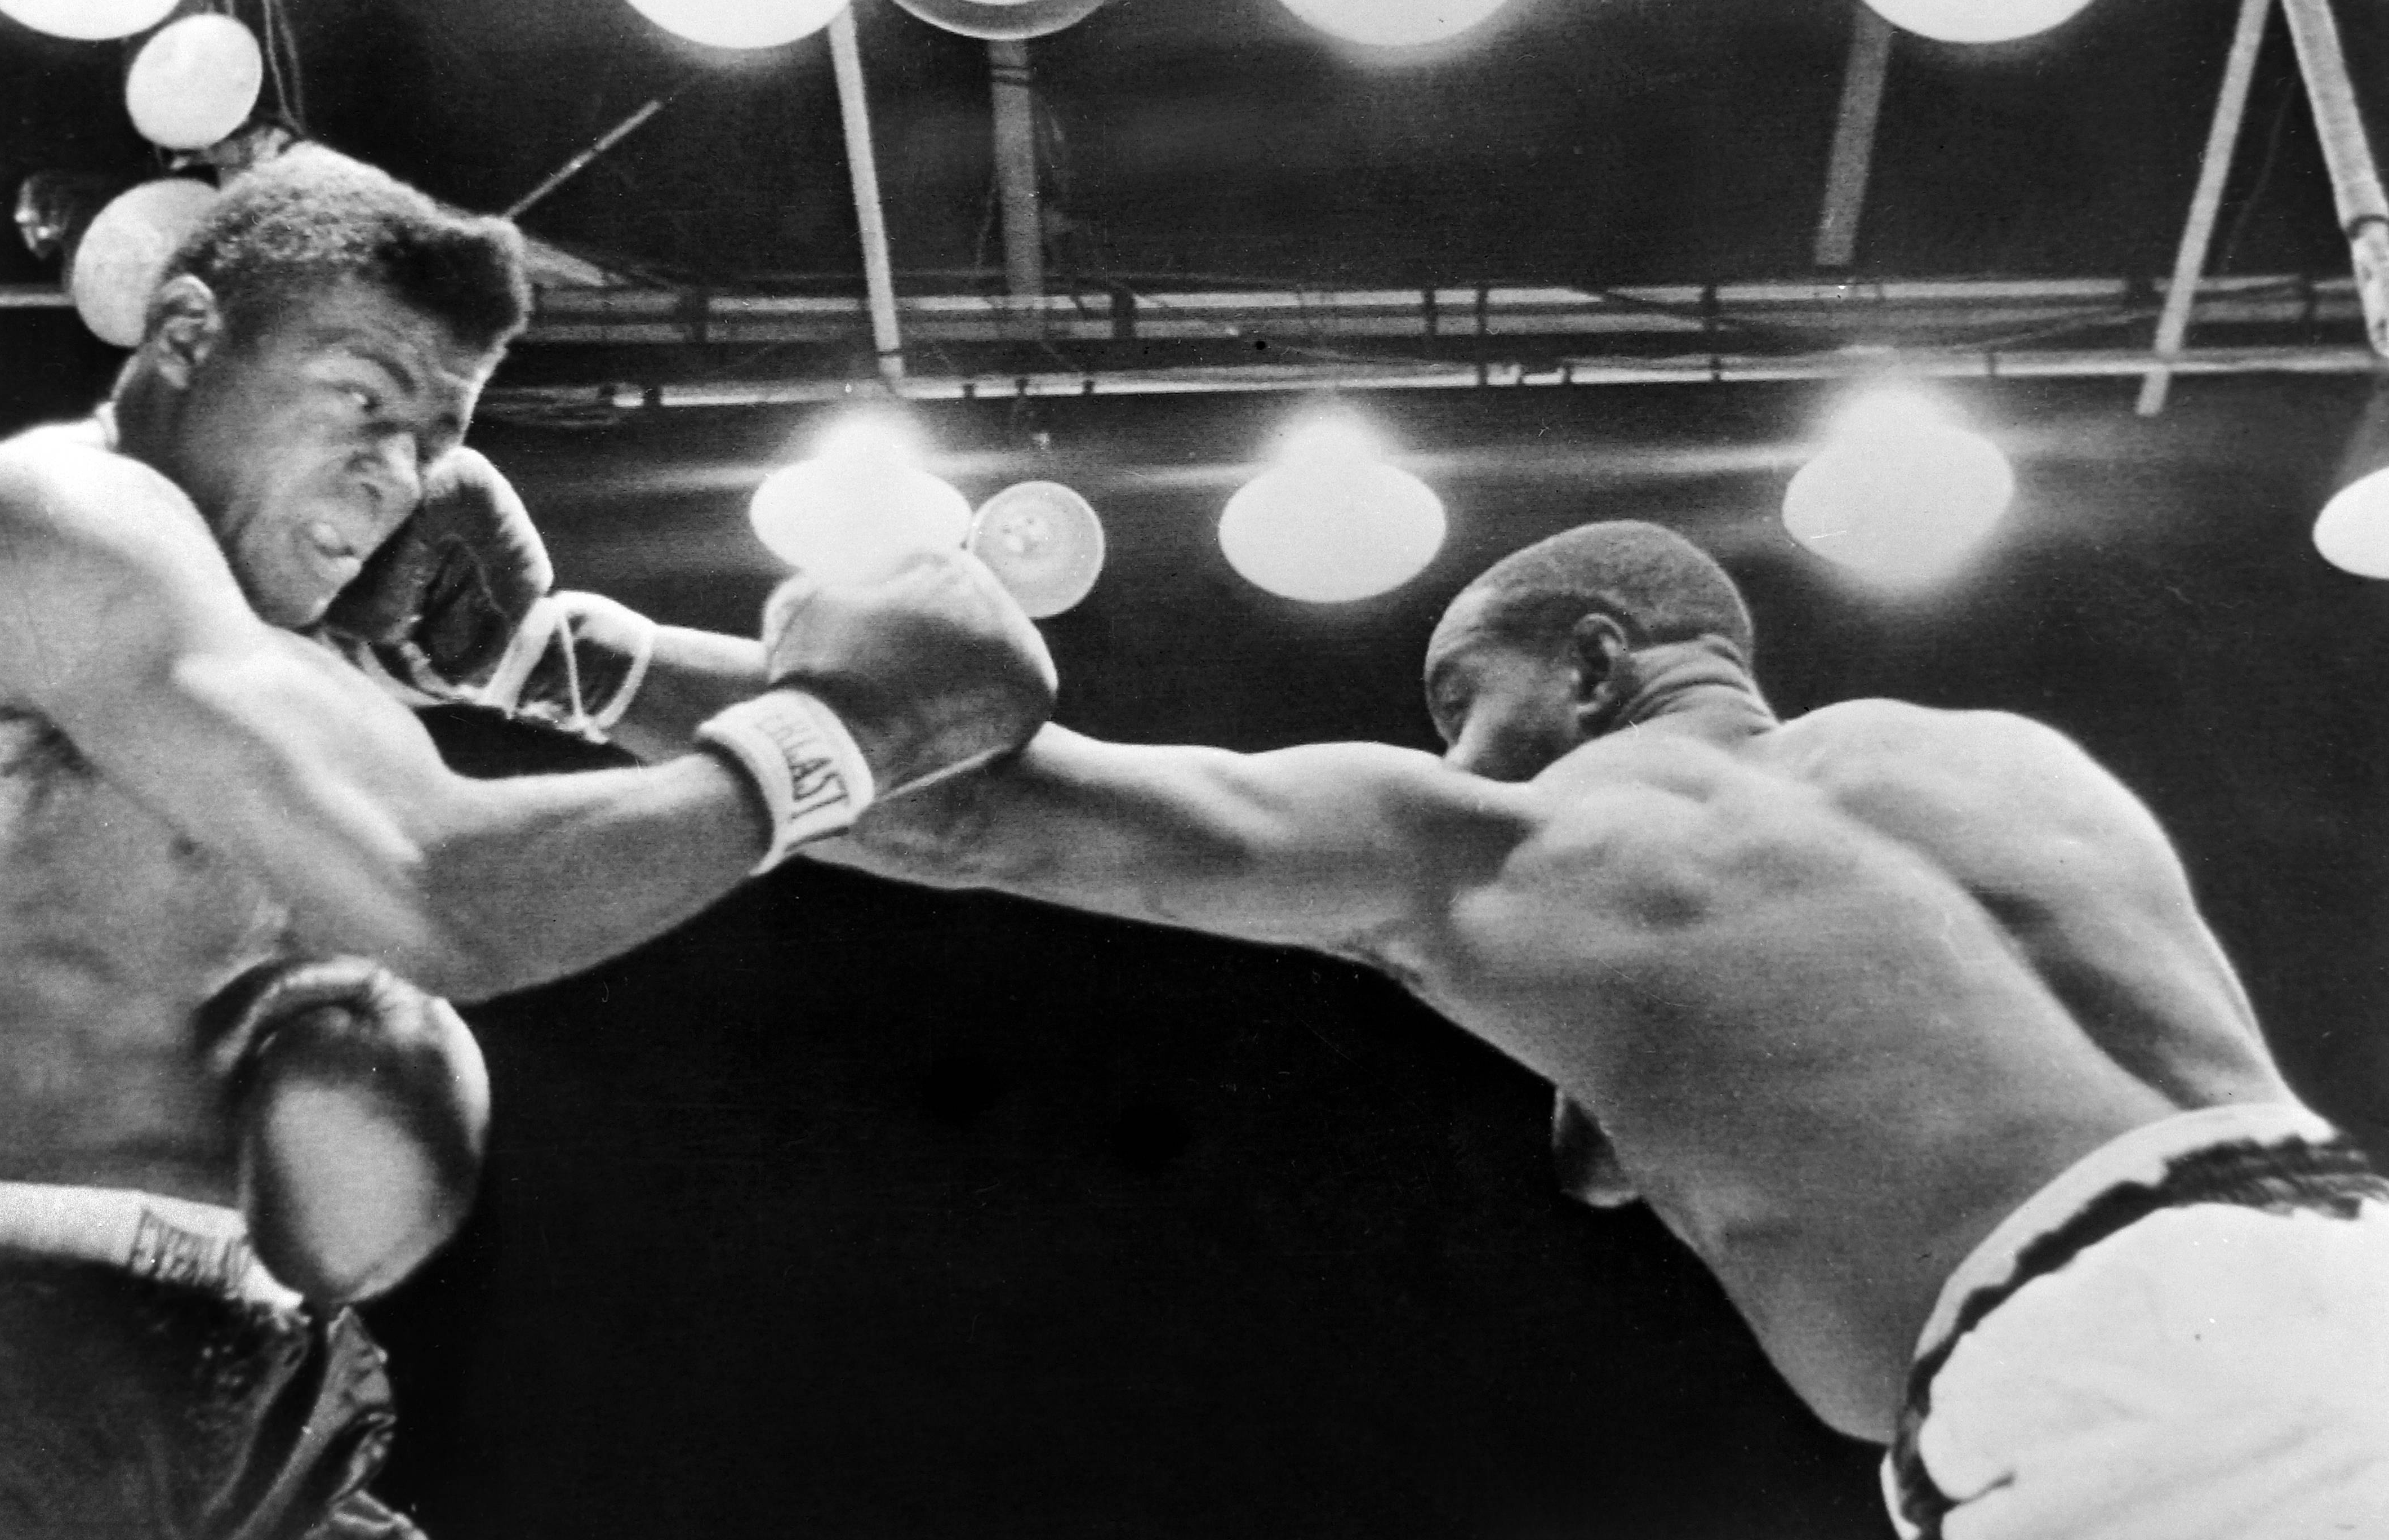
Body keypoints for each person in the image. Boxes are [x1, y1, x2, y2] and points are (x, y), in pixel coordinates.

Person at [0, 148, 1055, 1539]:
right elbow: (442, 895)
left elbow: (938, 825)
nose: (389, 475)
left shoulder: (291, 662)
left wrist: (559, 660)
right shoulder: (54, 521)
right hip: (3, 1346)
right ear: (191, 334)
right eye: (359, 399)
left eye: (432, 435)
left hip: (258, 1405)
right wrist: (847, 730)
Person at [826, 519, 2389, 1539]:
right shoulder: (2004, 761)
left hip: (2122, 1396)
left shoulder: (1516, 846)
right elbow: (1768, 1066)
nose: (1451, 755)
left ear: (1587, 661)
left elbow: (977, 814)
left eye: (1457, 707)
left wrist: (588, 658)